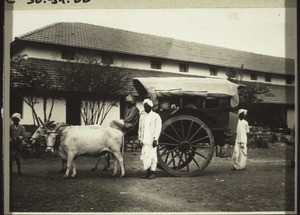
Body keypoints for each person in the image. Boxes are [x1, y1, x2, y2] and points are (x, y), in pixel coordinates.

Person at [138, 98, 162, 179]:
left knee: (152, 156)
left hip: (152, 140)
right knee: (145, 155)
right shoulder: (142, 117)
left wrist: (155, 139)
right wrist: (139, 139)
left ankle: (152, 172)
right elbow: (140, 129)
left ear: (151, 107)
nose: (146, 108)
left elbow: (158, 128)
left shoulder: (156, 116)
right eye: (145, 107)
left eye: (147, 107)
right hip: (144, 140)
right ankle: (147, 172)